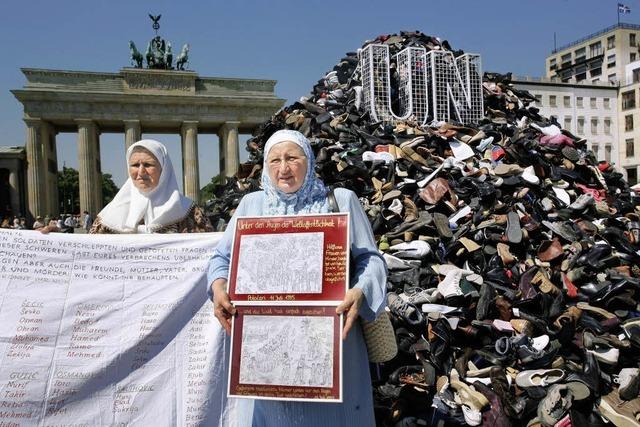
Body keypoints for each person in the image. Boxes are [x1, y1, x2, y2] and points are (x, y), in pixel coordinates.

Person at [207, 129, 387, 426]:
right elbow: (221, 259)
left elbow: (371, 260)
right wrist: (218, 287)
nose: (284, 168)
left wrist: (360, 290)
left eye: (292, 157)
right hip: (266, 348)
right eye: (275, 160)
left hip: (332, 343)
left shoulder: (341, 200)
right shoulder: (252, 205)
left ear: (310, 160)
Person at [90, 139, 212, 234]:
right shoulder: (109, 215)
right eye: (135, 165)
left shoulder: (189, 212)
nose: (141, 171)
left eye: (148, 165)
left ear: (164, 169)